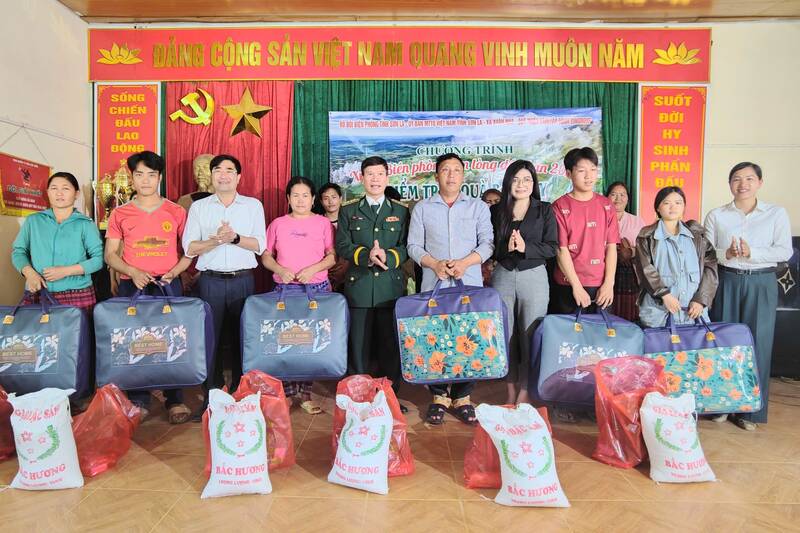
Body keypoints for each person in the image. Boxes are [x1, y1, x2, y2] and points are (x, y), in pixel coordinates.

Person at [104, 151, 193, 424]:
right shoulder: (120, 213)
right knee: (136, 341)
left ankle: (174, 399)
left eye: (151, 175)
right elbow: (110, 254)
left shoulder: (176, 211)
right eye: (139, 175)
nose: (145, 180)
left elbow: (189, 250)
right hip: (134, 286)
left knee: (172, 339)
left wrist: (174, 273)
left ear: (160, 177)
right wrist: (131, 271)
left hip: (168, 285)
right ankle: (139, 398)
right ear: (131, 178)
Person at [704, 162, 792, 431]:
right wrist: (726, 254)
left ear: (760, 183)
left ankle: (750, 411)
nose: (743, 184)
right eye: (737, 179)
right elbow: (707, 252)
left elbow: (784, 251)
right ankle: (721, 405)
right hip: (727, 281)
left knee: (758, 346)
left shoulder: (776, 214)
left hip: (761, 282)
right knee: (724, 344)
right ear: (729, 183)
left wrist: (752, 252)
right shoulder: (717, 215)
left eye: (749, 179)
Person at [407, 153, 494, 425]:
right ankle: (438, 396)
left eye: (457, 170)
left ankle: (463, 397)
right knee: (436, 339)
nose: (451, 175)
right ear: (436, 176)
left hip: (467, 283)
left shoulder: (478, 207)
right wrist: (434, 264)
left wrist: (465, 263)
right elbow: (413, 247)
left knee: (467, 338)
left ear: (463, 175)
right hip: (434, 284)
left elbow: (488, 244)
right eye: (446, 170)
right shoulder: (422, 208)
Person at [183, 154, 267, 409]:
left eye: (229, 170)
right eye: (218, 170)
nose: (223, 174)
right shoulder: (200, 207)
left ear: (238, 177)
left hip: (243, 281)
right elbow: (189, 247)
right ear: (211, 176)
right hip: (211, 282)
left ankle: (244, 397)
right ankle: (212, 397)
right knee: (212, 341)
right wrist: (216, 240)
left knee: (244, 339)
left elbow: (260, 244)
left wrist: (235, 238)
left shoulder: (253, 206)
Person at [335, 156, 409, 406]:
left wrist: (387, 256)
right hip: (361, 286)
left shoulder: (400, 211)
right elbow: (343, 245)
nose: (375, 179)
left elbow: (407, 246)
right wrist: (367, 255)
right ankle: (358, 397)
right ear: (361, 178)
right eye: (370, 174)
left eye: (380, 174)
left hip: (390, 287)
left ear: (387, 178)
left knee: (390, 347)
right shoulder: (348, 210)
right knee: (359, 347)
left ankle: (389, 397)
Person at [262, 177, 335, 415]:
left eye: (305, 195)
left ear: (313, 199)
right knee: (285, 340)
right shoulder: (277, 224)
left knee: (310, 342)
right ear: (288, 198)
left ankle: (304, 392)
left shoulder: (323, 223)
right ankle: (286, 391)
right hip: (285, 291)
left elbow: (332, 256)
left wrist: (312, 270)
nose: (300, 200)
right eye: (295, 195)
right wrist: (280, 270)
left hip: (316, 289)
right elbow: (265, 256)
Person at [490, 160, 558, 405]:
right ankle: (509, 389)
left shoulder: (544, 210)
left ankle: (526, 390)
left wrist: (525, 247)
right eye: (516, 179)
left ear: (534, 183)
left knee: (530, 334)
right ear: (508, 182)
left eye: (526, 180)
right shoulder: (497, 211)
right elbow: (489, 247)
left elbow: (552, 247)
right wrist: (505, 248)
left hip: (534, 276)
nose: (521, 184)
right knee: (505, 334)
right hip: (503, 276)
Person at [12, 172, 103, 310]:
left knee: (77, 332)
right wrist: (29, 273)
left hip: (77, 293)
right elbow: (18, 251)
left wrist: (66, 271)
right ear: (48, 192)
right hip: (39, 290)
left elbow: (98, 259)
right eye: (54, 188)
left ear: (76, 194)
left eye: (65, 188)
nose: (59, 193)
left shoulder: (85, 224)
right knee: (41, 331)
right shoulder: (33, 221)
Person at [634, 186, 717, 329]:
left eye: (678, 203)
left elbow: (710, 267)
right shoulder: (647, 236)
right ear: (658, 208)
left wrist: (701, 299)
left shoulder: (697, 236)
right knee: (660, 349)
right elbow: (645, 269)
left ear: (684, 207)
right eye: (667, 203)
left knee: (695, 350)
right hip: (658, 313)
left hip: (693, 312)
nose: (673, 207)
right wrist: (664, 295)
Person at [551, 147, 619, 314]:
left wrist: (609, 284)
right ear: (568, 174)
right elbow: (561, 250)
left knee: (601, 336)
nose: (589, 176)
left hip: (601, 286)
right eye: (582, 171)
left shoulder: (606, 205)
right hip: (568, 285)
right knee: (570, 338)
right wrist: (576, 286)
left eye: (593, 170)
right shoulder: (559, 206)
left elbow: (611, 247)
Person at [606, 181, 646, 321]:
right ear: (607, 197)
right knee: (607, 311)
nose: (618, 198)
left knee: (629, 314)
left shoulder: (637, 221)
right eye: (614, 194)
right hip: (605, 272)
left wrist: (630, 251)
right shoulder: (600, 218)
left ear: (628, 198)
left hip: (631, 276)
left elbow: (645, 249)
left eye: (622, 195)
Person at [315, 182, 348, 292]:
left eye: (334, 197)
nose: (330, 202)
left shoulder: (350, 222)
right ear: (320, 201)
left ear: (340, 198)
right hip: (323, 275)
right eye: (326, 198)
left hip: (348, 276)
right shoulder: (316, 222)